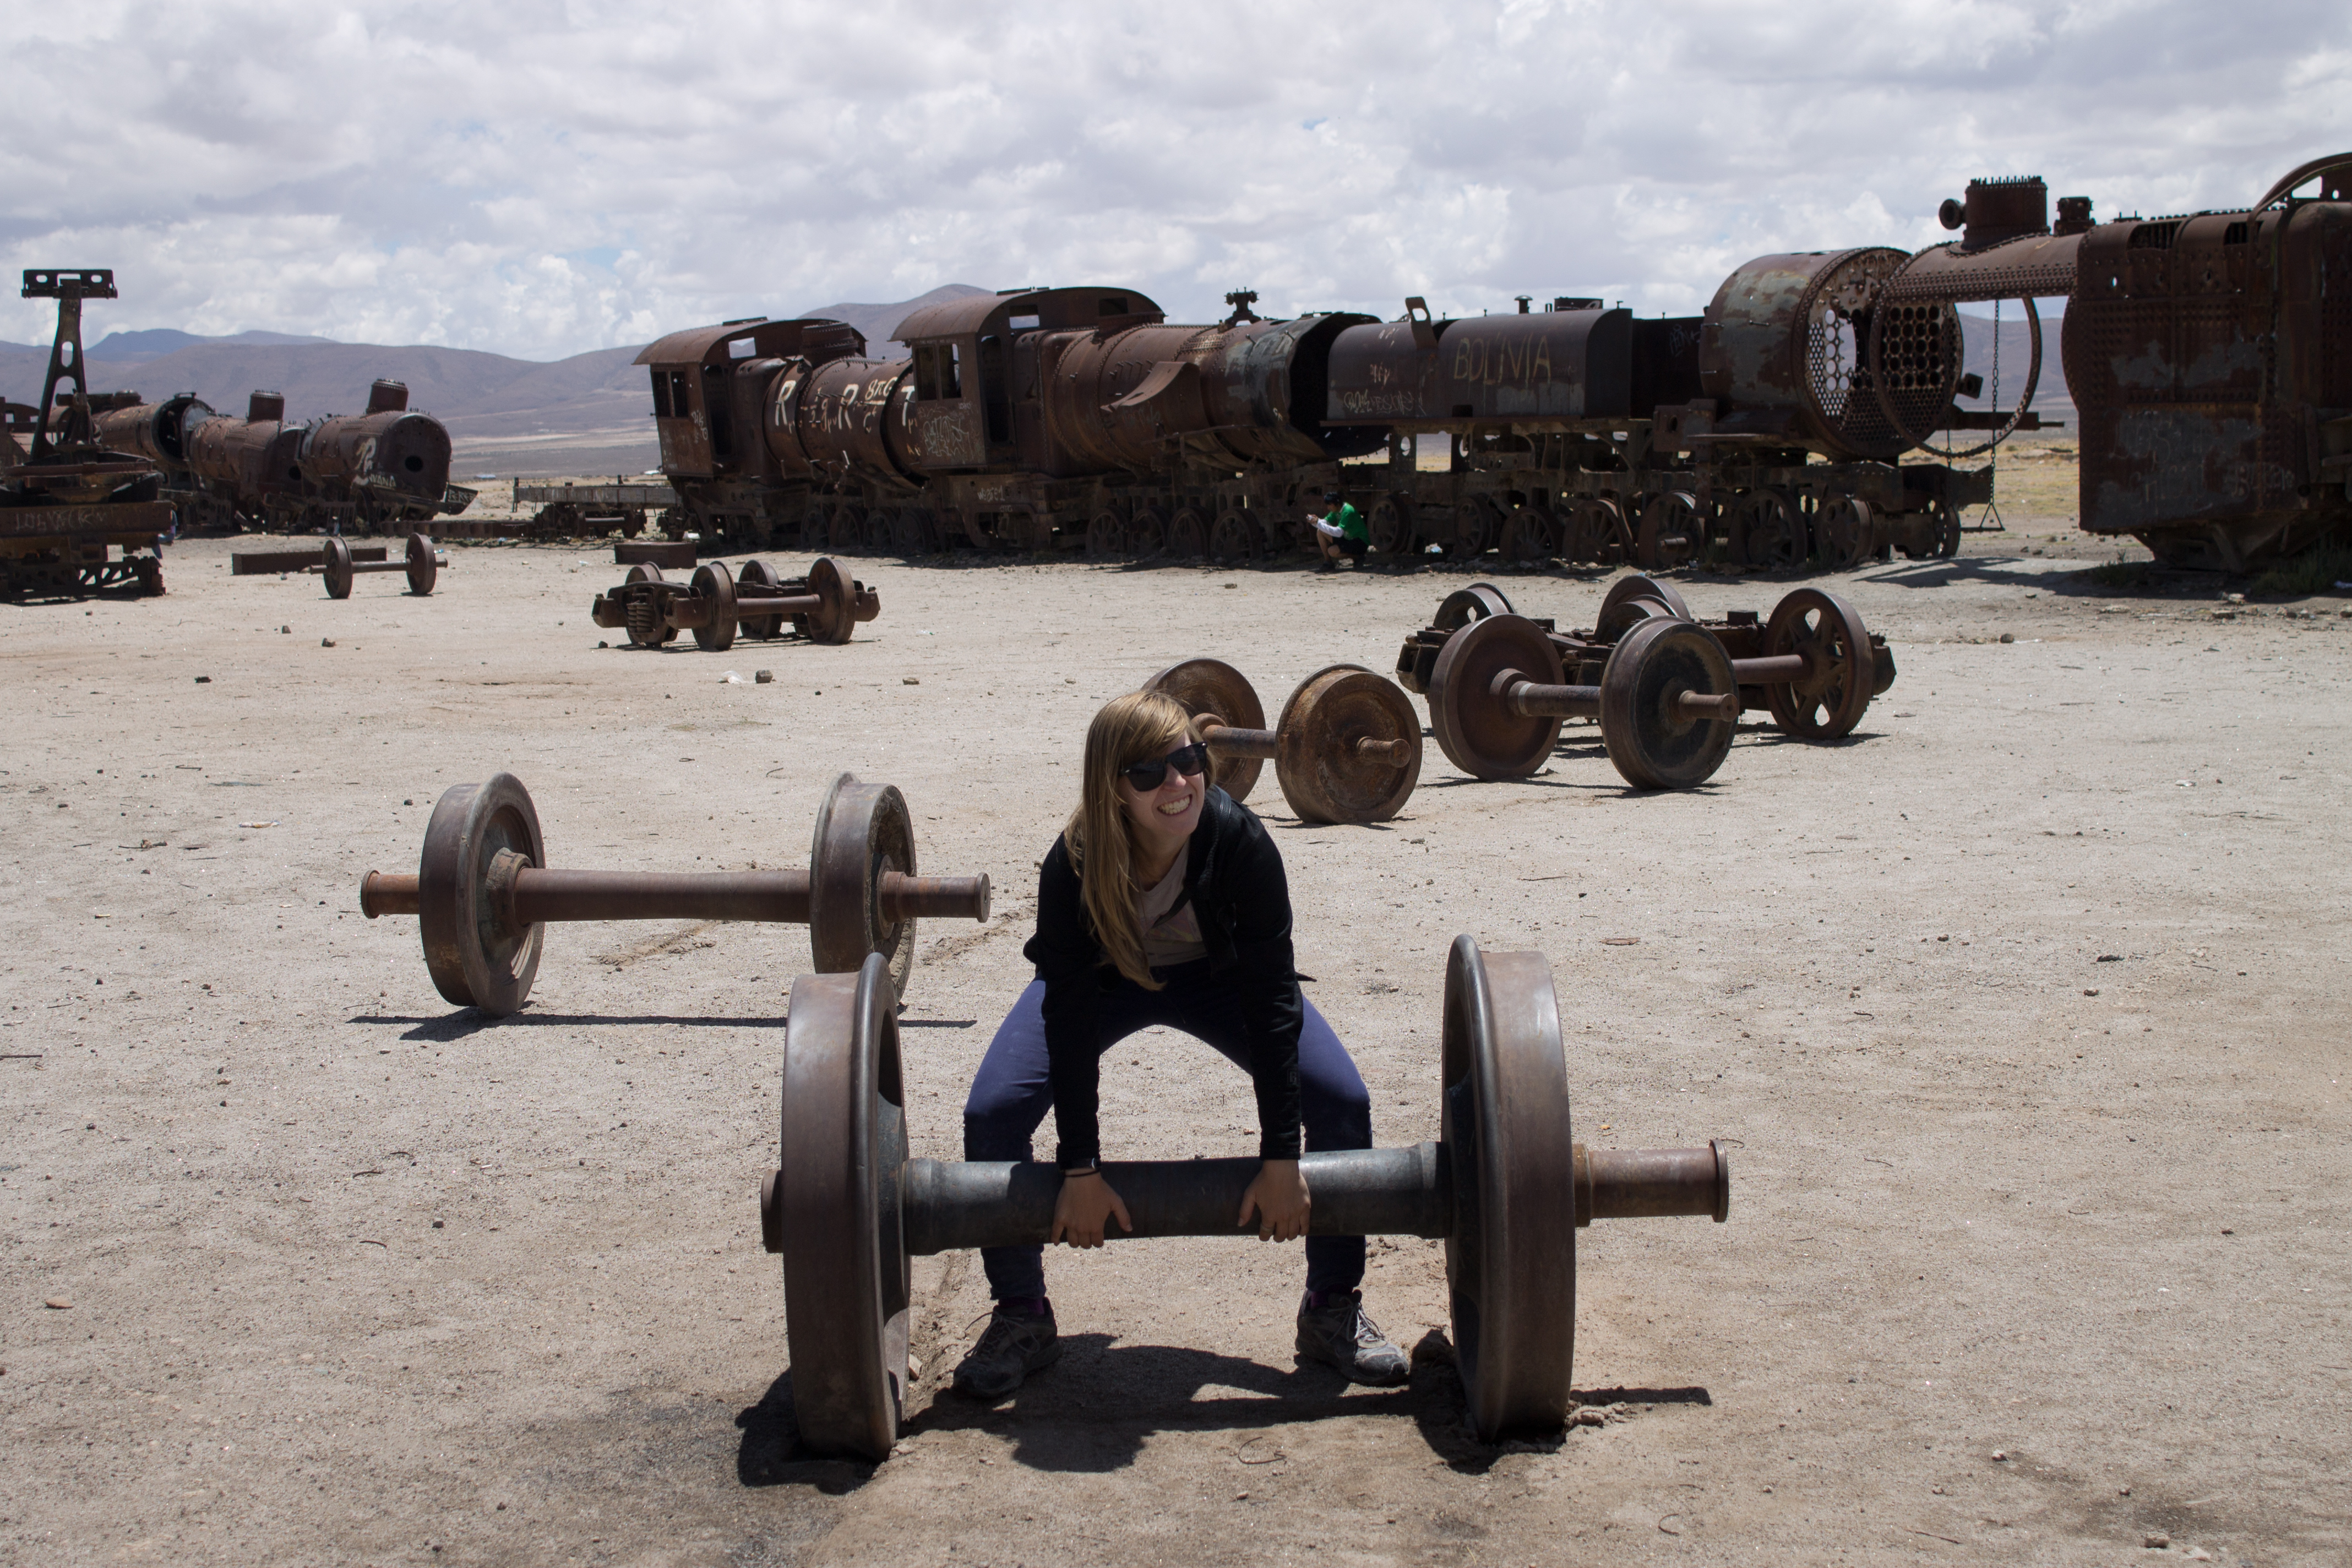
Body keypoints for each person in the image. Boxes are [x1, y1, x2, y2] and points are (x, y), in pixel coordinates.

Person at [952, 690, 1410, 1401]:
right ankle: (1022, 1315)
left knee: (1342, 1100)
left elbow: (1272, 998)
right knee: (992, 1116)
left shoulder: (1242, 843)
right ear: (1114, 789)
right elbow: (1068, 1020)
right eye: (1150, 774)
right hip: (1104, 983)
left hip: (1216, 980)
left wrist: (1283, 1157)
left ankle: (1332, 1308)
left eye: (1188, 761)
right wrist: (1080, 1171)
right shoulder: (1072, 866)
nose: (1177, 784)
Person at [1308, 488, 1368, 570]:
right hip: (1348, 539)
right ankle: (1328, 563)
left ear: (1335, 504)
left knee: (1332, 551)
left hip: (1360, 541)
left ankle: (1358, 557)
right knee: (1320, 531)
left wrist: (1318, 523)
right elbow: (1325, 522)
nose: (1328, 508)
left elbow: (1339, 532)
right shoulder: (1336, 509)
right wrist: (1315, 521)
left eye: (1329, 505)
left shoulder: (1347, 511)